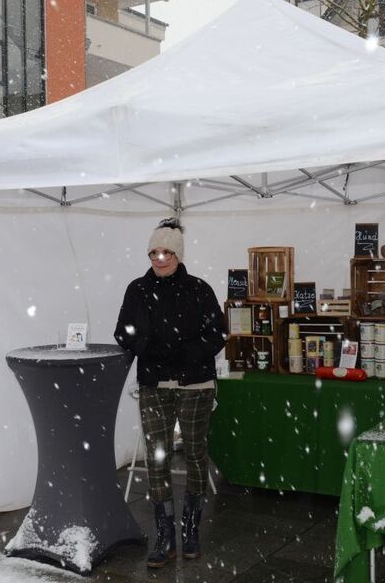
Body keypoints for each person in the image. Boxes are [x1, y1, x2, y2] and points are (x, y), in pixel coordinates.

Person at [114, 218, 226, 568]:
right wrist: (151, 349)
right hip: (154, 386)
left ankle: (190, 529)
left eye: (166, 252)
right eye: (153, 252)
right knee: (158, 458)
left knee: (194, 454)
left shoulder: (199, 289)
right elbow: (123, 333)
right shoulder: (137, 290)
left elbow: (217, 334)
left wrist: (187, 354)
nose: (159, 258)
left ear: (178, 253)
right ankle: (165, 535)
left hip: (196, 386)